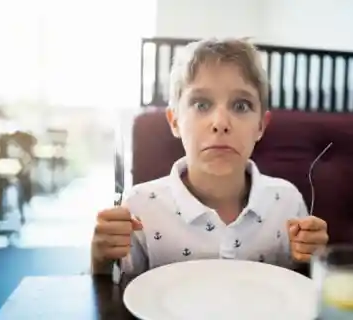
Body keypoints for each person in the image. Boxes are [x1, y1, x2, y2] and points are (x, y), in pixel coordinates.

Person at [91, 38, 329, 279]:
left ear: (260, 126)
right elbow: (117, 291)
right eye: (201, 104)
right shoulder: (140, 207)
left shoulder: (287, 202)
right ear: (175, 121)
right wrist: (100, 260)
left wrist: (315, 258)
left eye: (241, 106)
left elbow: (299, 284)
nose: (220, 123)